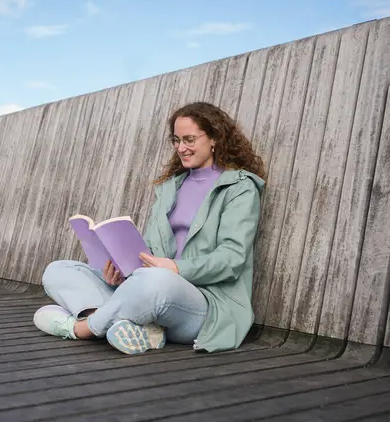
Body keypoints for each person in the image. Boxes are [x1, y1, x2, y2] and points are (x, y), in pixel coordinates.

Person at [33, 101, 266, 354]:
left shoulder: (240, 188)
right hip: (151, 286)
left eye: (189, 139)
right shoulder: (170, 188)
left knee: (154, 281)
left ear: (214, 139)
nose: (181, 148)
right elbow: (151, 250)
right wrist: (122, 271)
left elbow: (232, 259)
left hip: (204, 304)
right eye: (176, 140)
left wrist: (176, 268)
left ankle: (82, 328)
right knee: (58, 270)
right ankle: (136, 326)